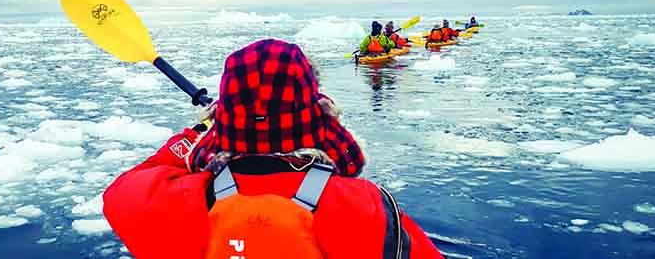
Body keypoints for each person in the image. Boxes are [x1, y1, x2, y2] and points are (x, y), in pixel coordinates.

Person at [103, 39, 443, 259]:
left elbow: (128, 185)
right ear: (318, 117)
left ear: (224, 122)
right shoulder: (368, 206)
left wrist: (199, 131)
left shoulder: (169, 203)